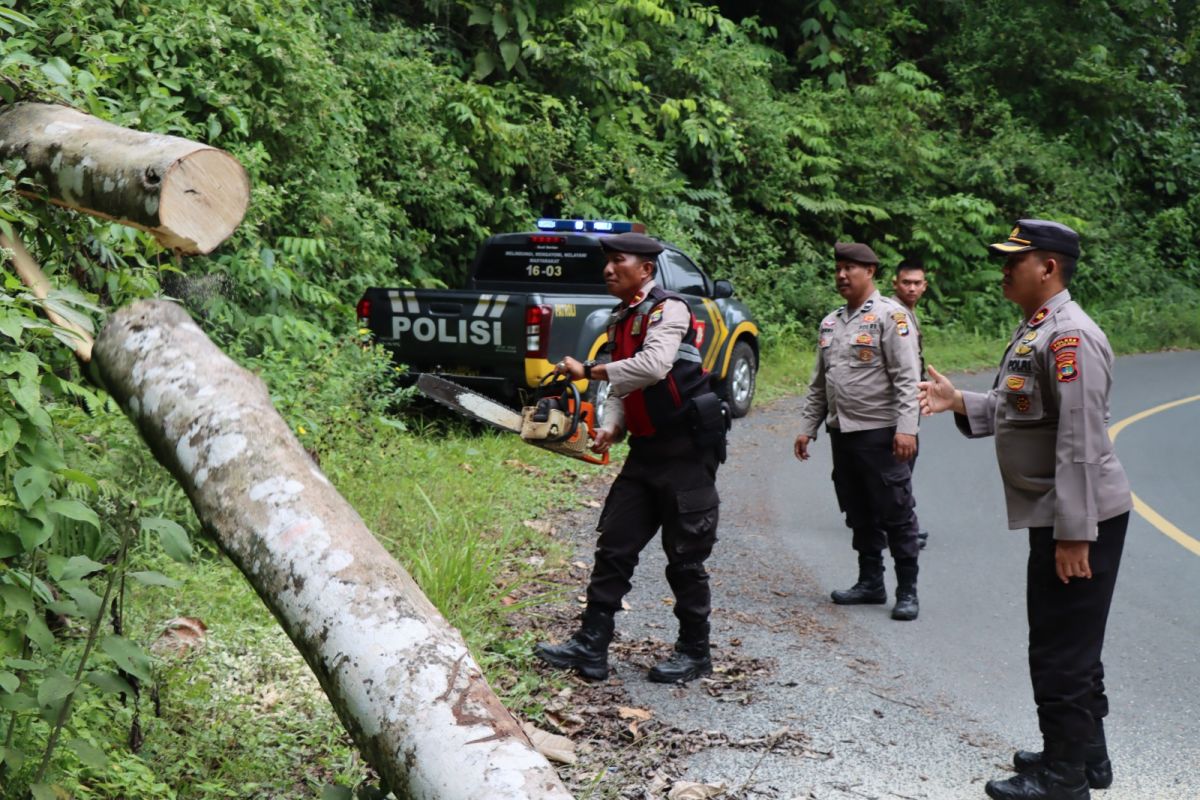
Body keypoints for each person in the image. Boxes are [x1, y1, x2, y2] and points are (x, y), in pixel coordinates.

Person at [919, 219, 1131, 800]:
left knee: (1059, 650)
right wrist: (960, 400)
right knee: (1072, 644)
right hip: (1064, 512)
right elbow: (1026, 406)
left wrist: (1074, 533)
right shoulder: (1040, 329)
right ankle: (1085, 755)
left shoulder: (1070, 338)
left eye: (1016, 258)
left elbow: (1082, 439)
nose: (1004, 267)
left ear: (1049, 267)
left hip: (1078, 515)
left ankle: (1064, 780)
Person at [534, 231, 728, 684]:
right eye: (605, 262)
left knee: (685, 557)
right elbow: (624, 385)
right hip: (645, 452)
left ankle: (695, 652)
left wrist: (590, 371)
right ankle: (591, 647)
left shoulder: (668, 309)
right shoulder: (619, 319)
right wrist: (613, 427)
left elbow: (654, 366)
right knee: (615, 546)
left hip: (685, 452)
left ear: (644, 269)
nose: (607, 269)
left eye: (617, 261)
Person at [793, 242, 923, 621]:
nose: (842, 274)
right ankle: (870, 582)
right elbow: (820, 383)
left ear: (871, 272)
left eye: (851, 267)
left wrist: (907, 429)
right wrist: (808, 427)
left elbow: (907, 378)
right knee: (858, 509)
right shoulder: (831, 322)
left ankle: (907, 590)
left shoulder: (891, 317)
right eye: (838, 267)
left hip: (881, 433)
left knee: (896, 510)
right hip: (842, 433)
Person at [891, 259, 931, 548]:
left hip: (908, 402)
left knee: (903, 465)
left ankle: (902, 522)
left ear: (925, 286)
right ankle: (902, 527)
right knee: (899, 467)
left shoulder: (909, 313)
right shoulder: (896, 315)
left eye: (917, 283)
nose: (912, 288)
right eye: (907, 282)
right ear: (895, 283)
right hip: (896, 405)